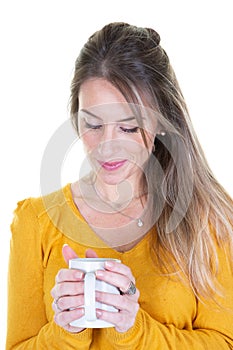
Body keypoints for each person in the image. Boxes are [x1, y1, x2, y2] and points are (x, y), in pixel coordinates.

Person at [6, 22, 233, 349]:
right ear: (76, 119)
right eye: (93, 124)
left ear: (160, 122)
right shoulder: (34, 222)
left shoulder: (208, 220)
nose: (107, 146)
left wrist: (133, 328)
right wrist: (67, 330)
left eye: (128, 128)